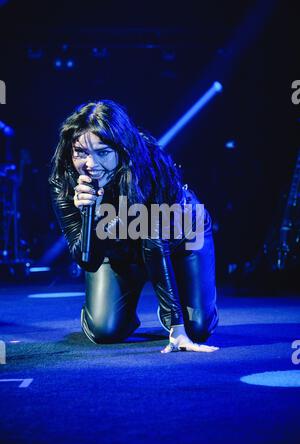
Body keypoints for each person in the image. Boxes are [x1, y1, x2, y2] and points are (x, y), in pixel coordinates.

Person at [49, 100, 219, 353]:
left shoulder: (147, 165)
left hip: (181, 234)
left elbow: (154, 242)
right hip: (120, 242)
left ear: (121, 149)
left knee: (197, 328)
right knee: (105, 331)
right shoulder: (64, 179)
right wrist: (91, 216)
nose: (91, 164)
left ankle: (184, 314)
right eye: (81, 152)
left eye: (103, 152)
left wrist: (177, 327)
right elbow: (87, 260)